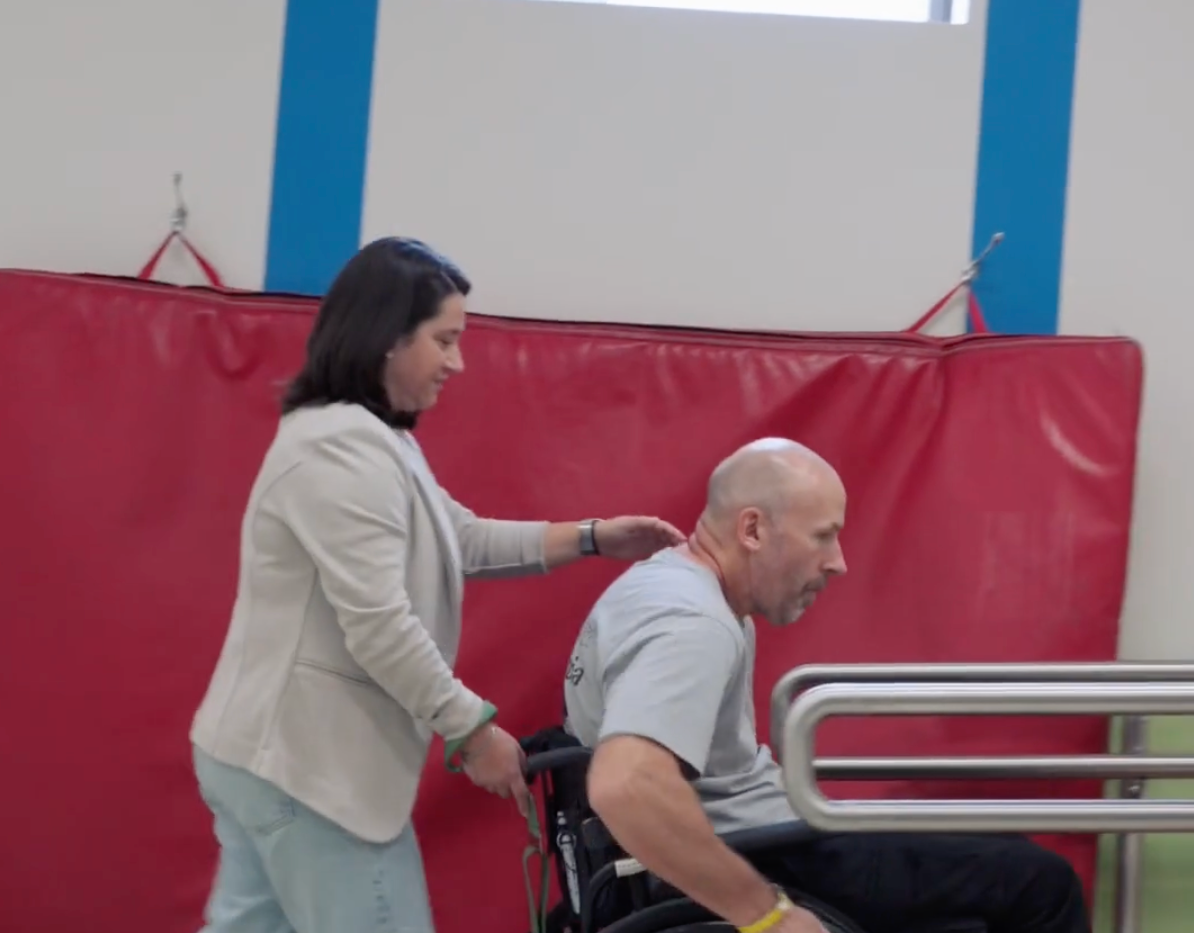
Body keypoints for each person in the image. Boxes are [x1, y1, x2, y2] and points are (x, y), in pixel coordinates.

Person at [189, 237, 684, 933]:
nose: (457, 362)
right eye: (444, 340)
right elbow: (378, 626)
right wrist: (472, 731)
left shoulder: (373, 439)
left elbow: (461, 537)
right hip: (307, 771)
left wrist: (593, 536)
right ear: (388, 338)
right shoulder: (339, 449)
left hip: (266, 760)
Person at [563, 437, 1092, 933]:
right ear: (752, 530)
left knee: (996, 848)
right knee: (1039, 884)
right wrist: (767, 916)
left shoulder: (662, 584)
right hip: (767, 856)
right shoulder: (693, 621)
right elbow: (626, 785)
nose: (838, 562)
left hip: (765, 838)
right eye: (822, 536)